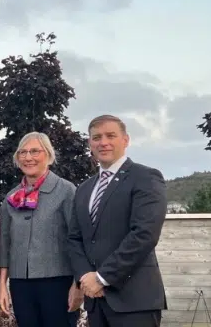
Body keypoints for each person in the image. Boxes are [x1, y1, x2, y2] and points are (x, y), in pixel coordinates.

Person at [67, 115, 168, 327]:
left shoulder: (145, 177)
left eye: (110, 135)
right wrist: (85, 277)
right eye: (96, 137)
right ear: (90, 144)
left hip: (134, 301)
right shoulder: (84, 189)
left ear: (125, 140)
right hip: (95, 302)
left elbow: (144, 234)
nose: (103, 142)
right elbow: (75, 238)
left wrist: (102, 277)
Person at [0, 132, 83, 326]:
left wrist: (77, 285)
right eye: (23, 152)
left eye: (35, 151)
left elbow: (78, 240)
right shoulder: (11, 198)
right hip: (20, 283)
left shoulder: (66, 191)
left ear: (49, 155)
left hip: (58, 282)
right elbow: (5, 244)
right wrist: (2, 285)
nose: (28, 157)